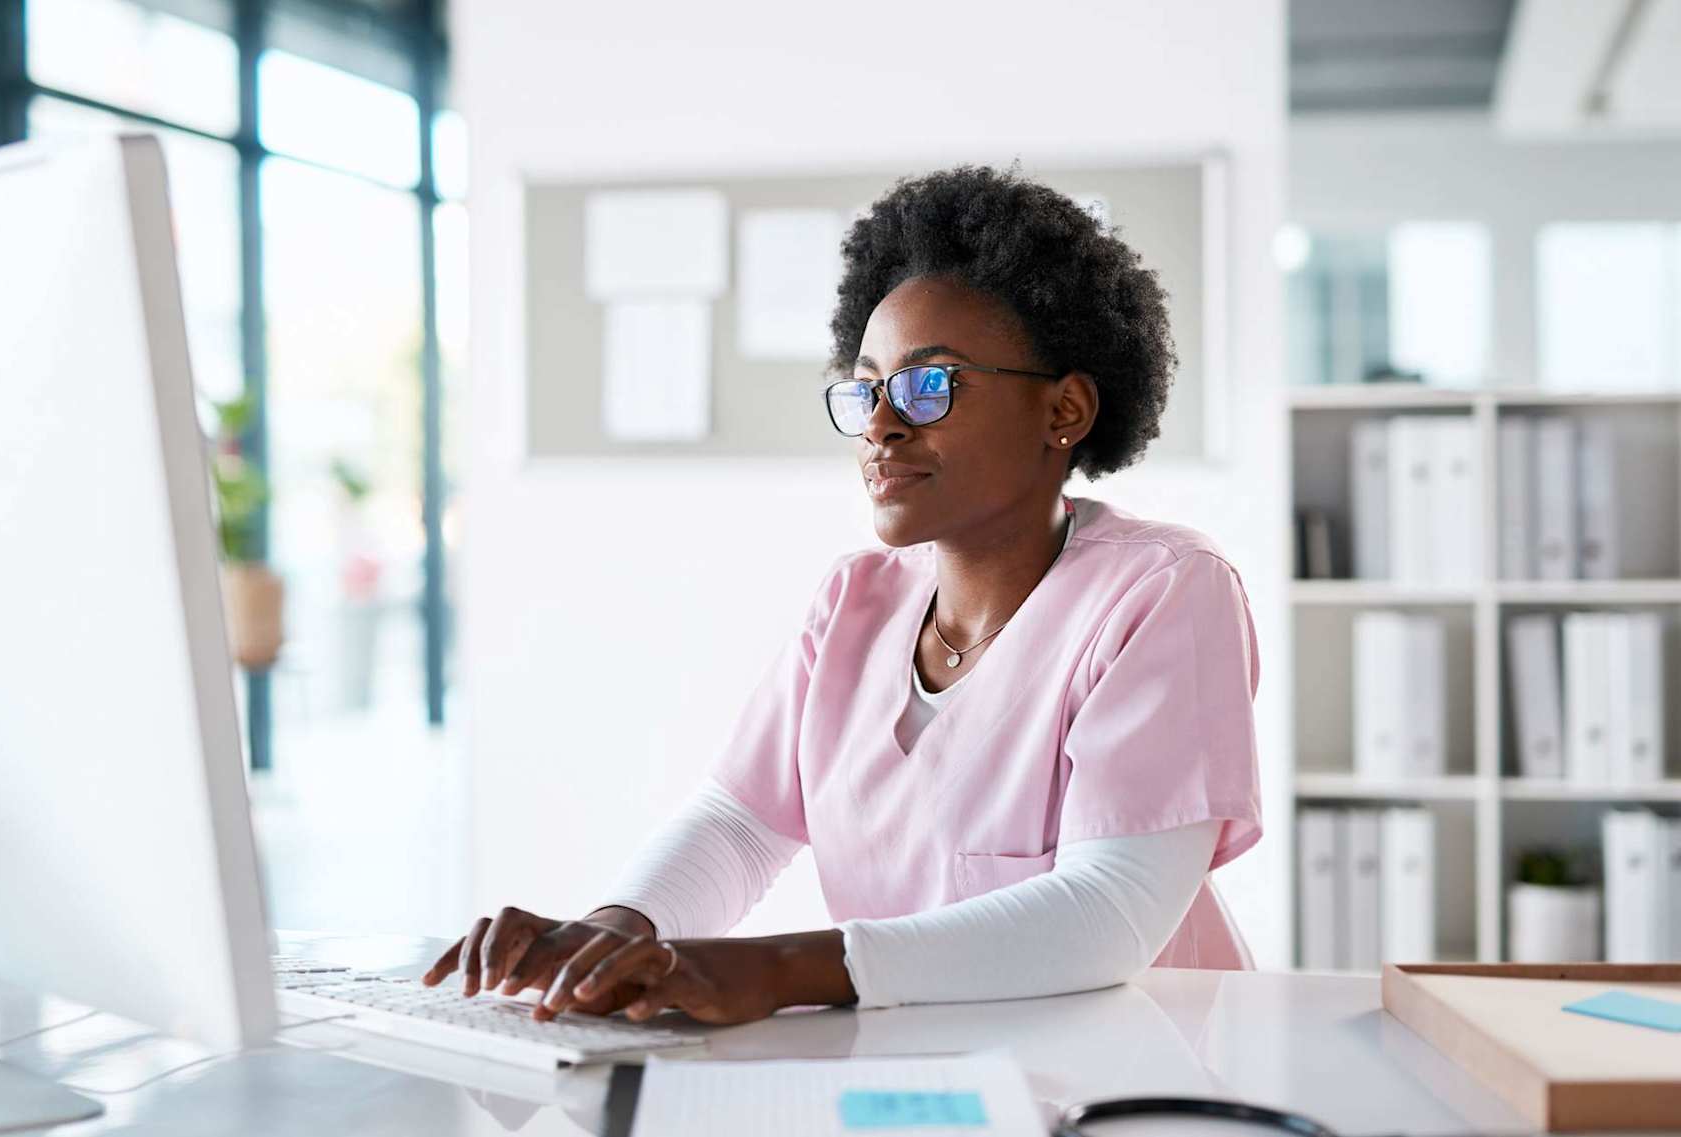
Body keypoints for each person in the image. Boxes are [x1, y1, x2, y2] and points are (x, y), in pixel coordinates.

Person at [423, 164, 1262, 1025]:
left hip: (1138, 1075)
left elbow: (1109, 909)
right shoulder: (855, 601)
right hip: (926, 1071)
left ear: (1066, 409)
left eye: (931, 384)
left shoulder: (1163, 593)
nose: (881, 425)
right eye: (867, 389)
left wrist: (779, 968)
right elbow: (741, 822)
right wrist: (613, 933)